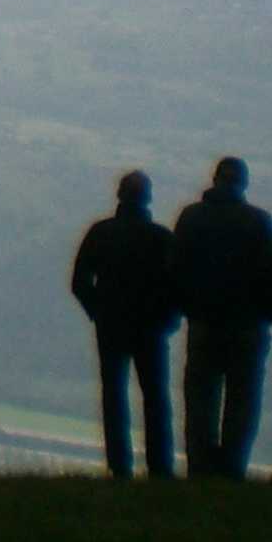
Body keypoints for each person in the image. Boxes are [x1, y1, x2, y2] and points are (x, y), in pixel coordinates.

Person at [170, 156, 272, 479]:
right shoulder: (259, 222)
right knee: (242, 403)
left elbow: (175, 270)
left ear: (214, 179)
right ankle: (232, 468)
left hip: (203, 322)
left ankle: (200, 468)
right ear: (243, 183)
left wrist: (187, 308)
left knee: (201, 400)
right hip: (248, 326)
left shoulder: (192, 218)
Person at [70, 169, 179, 478]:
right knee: (156, 397)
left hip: (111, 325)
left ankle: (120, 467)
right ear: (148, 198)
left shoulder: (101, 232)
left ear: (119, 195)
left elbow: (79, 281)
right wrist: (168, 319)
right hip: (150, 328)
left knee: (114, 395)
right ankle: (160, 467)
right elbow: (177, 285)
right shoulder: (160, 237)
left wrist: (97, 311)